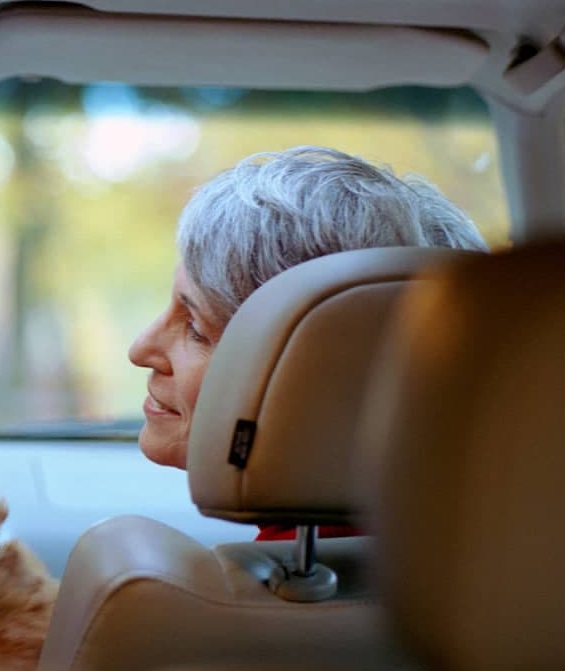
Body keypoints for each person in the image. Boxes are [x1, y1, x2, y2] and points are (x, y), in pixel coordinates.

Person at [127, 146, 488, 539]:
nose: (140, 350)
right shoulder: (502, 565)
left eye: (195, 328)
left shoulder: (180, 593)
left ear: (318, 378)